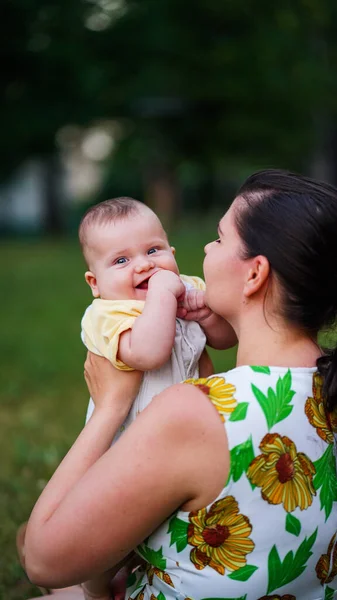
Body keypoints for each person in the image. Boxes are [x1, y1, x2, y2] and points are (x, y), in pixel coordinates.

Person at [23, 169, 337, 599]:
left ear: (254, 274)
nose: (206, 248)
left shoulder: (196, 412)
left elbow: (44, 562)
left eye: (220, 238)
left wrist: (112, 405)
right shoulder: (326, 384)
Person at [79, 197, 236, 433]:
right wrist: (162, 294)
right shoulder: (106, 315)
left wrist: (207, 317)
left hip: (192, 421)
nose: (144, 264)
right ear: (95, 283)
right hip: (135, 435)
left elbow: (227, 339)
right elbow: (148, 355)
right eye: (121, 260)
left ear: (172, 254)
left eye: (153, 250)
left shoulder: (188, 287)